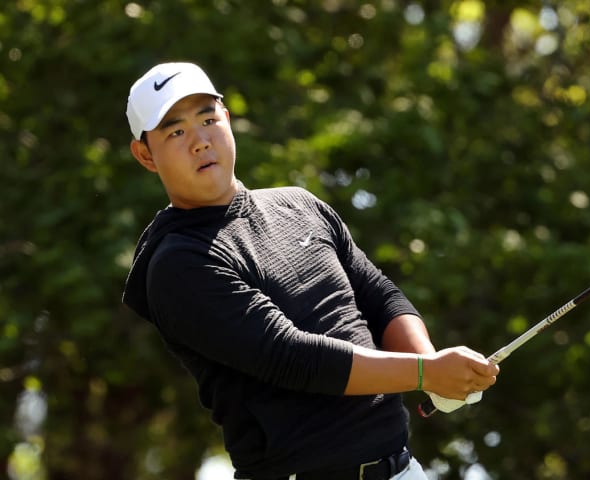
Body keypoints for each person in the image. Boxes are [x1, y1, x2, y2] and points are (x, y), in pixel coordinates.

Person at [121, 61, 500, 480]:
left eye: (208, 119)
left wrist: (429, 364)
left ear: (227, 121)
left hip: (401, 467)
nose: (199, 141)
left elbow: (380, 296)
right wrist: (426, 373)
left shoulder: (298, 205)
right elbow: (293, 358)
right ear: (145, 155)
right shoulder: (177, 264)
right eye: (175, 131)